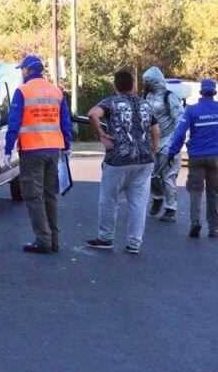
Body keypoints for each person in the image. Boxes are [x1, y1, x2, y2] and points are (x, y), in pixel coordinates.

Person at [86, 70, 160, 254]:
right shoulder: (145, 104)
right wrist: (154, 149)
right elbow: (155, 130)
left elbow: (92, 114)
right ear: (133, 85)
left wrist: (102, 134)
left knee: (109, 200)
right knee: (138, 203)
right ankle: (134, 243)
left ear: (115, 85)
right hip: (144, 160)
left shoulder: (110, 103)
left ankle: (105, 237)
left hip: (118, 159)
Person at [5, 55, 72, 254]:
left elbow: (14, 122)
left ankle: (43, 239)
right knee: (49, 195)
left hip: (32, 150)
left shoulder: (23, 91)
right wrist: (66, 145)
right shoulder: (56, 91)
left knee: (33, 195)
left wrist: (8, 148)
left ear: (27, 70)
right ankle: (54, 240)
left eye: (22, 70)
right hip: (54, 149)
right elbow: (65, 121)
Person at [167, 79, 218, 238]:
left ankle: (195, 222)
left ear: (201, 92)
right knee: (214, 192)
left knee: (195, 191)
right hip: (215, 157)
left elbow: (180, 133)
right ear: (214, 92)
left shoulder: (191, 110)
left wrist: (172, 152)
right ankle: (214, 228)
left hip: (196, 157)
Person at [142, 66, 184, 222]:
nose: (145, 84)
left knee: (168, 176)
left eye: (148, 81)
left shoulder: (170, 97)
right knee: (151, 175)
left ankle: (171, 208)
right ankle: (157, 197)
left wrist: (176, 143)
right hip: (152, 141)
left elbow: (179, 119)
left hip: (168, 140)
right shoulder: (146, 96)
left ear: (155, 81)